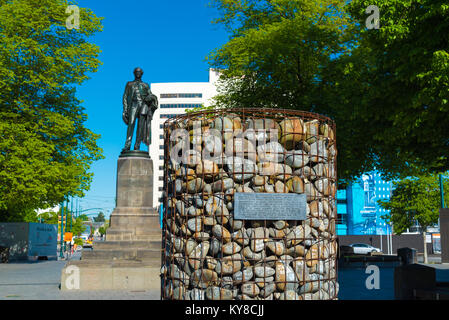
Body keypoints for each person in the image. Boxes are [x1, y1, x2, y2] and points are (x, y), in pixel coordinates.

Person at [122, 67, 158, 152]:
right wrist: (125, 109)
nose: (138, 73)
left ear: (141, 74)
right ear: (134, 73)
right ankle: (127, 145)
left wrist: (151, 98)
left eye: (139, 72)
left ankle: (137, 145)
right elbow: (125, 97)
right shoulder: (129, 84)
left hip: (143, 105)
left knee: (140, 126)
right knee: (131, 124)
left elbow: (150, 95)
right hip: (133, 105)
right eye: (136, 72)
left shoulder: (145, 85)